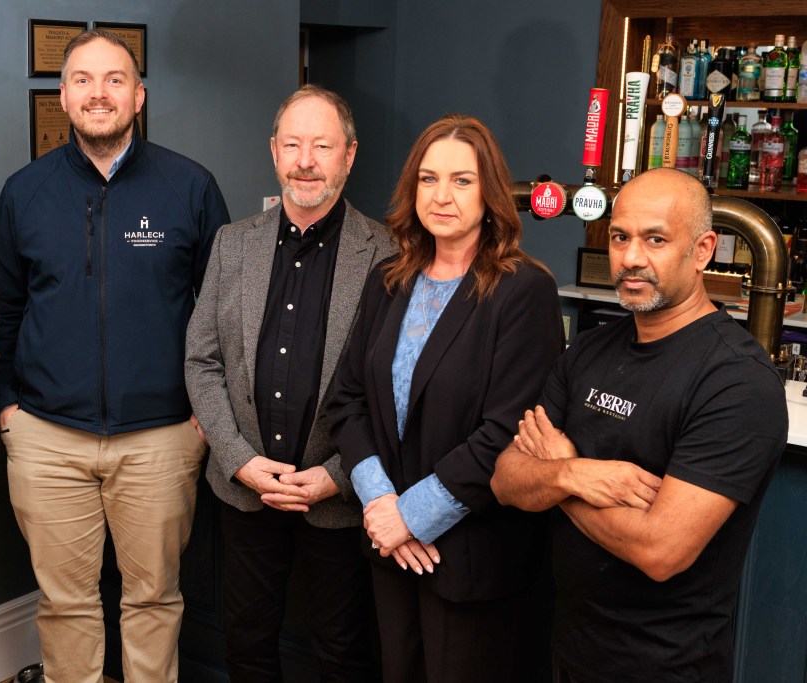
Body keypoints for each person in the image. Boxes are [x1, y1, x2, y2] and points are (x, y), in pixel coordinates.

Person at [0, 29, 230, 683]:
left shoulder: (190, 187)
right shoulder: (24, 194)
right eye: (85, 80)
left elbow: (224, 316)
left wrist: (206, 415)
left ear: (139, 96)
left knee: (153, 600)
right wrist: (7, 408)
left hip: (161, 439)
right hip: (46, 438)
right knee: (66, 606)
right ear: (63, 97)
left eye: (116, 79)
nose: (100, 93)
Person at [490, 167, 788, 683]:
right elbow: (504, 478)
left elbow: (659, 551)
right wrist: (574, 476)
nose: (630, 258)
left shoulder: (737, 382)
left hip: (666, 665)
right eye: (621, 237)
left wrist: (558, 470)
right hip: (568, 649)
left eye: (655, 239)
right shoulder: (589, 350)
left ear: (702, 251)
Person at [326, 114, 563, 682]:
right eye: (428, 179)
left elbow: (507, 431)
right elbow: (347, 400)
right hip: (392, 550)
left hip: (474, 560)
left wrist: (410, 517)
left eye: (462, 180)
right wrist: (384, 509)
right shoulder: (390, 277)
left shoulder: (524, 289)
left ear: (491, 193)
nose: (442, 195)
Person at [184, 84, 392, 682]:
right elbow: (201, 361)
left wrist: (335, 476)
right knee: (247, 645)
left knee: (343, 654)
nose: (306, 160)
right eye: (294, 144)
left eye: (322, 145)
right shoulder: (232, 244)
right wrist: (238, 459)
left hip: (338, 497)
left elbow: (395, 391)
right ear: (274, 151)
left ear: (349, 155)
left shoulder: (387, 254)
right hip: (247, 492)